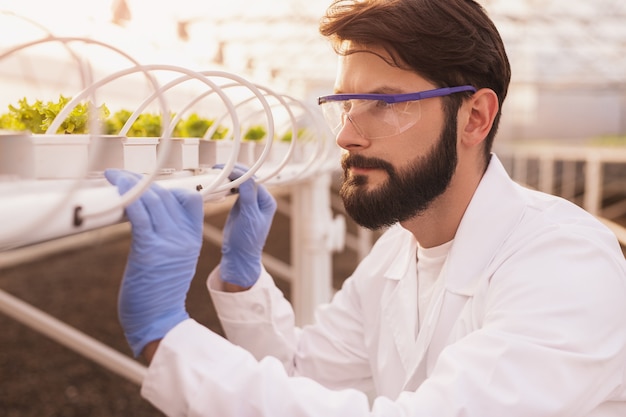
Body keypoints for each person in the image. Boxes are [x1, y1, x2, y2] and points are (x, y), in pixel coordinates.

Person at [104, 0, 626, 416]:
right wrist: (244, 283)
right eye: (345, 105)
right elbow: (302, 374)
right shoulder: (398, 251)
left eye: (385, 104)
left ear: (474, 118)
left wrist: (165, 337)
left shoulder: (566, 261)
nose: (348, 136)